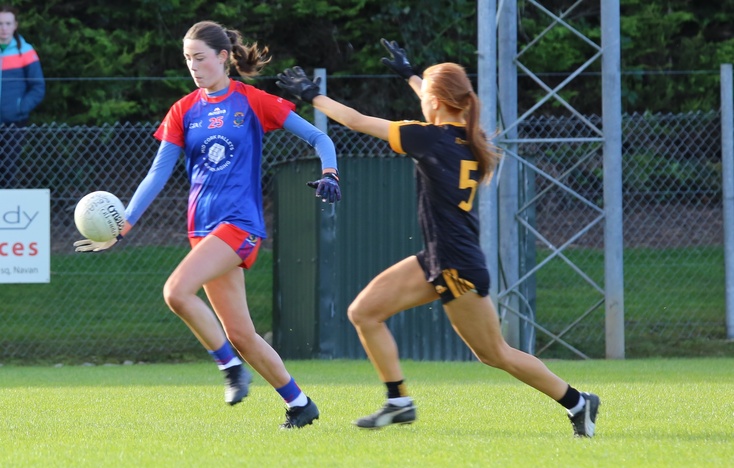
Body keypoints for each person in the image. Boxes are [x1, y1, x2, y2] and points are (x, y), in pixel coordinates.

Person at [276, 39, 600, 437]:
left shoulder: (430, 137)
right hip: (439, 256)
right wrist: (411, 75)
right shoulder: (468, 136)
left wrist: (313, 95)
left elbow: (356, 120)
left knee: (495, 354)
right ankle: (398, 401)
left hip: (456, 265)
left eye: (426, 96)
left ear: (436, 101)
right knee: (364, 312)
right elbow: (438, 101)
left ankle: (578, 402)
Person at [74, 20, 341, 429]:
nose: (194, 67)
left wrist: (330, 172)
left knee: (176, 292)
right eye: (188, 59)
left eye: (200, 58)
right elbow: (157, 174)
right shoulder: (183, 110)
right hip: (202, 230)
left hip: (239, 224)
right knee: (241, 334)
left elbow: (320, 138)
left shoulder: (251, 100)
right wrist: (124, 224)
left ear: (224, 57)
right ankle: (300, 403)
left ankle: (231, 369)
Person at [0, 5, 45, 188]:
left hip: (14, 123)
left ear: (15, 25)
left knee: (8, 170)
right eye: (0, 23)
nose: (3, 28)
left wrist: (20, 107)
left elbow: (38, 87)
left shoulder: (26, 52)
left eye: (7, 23)